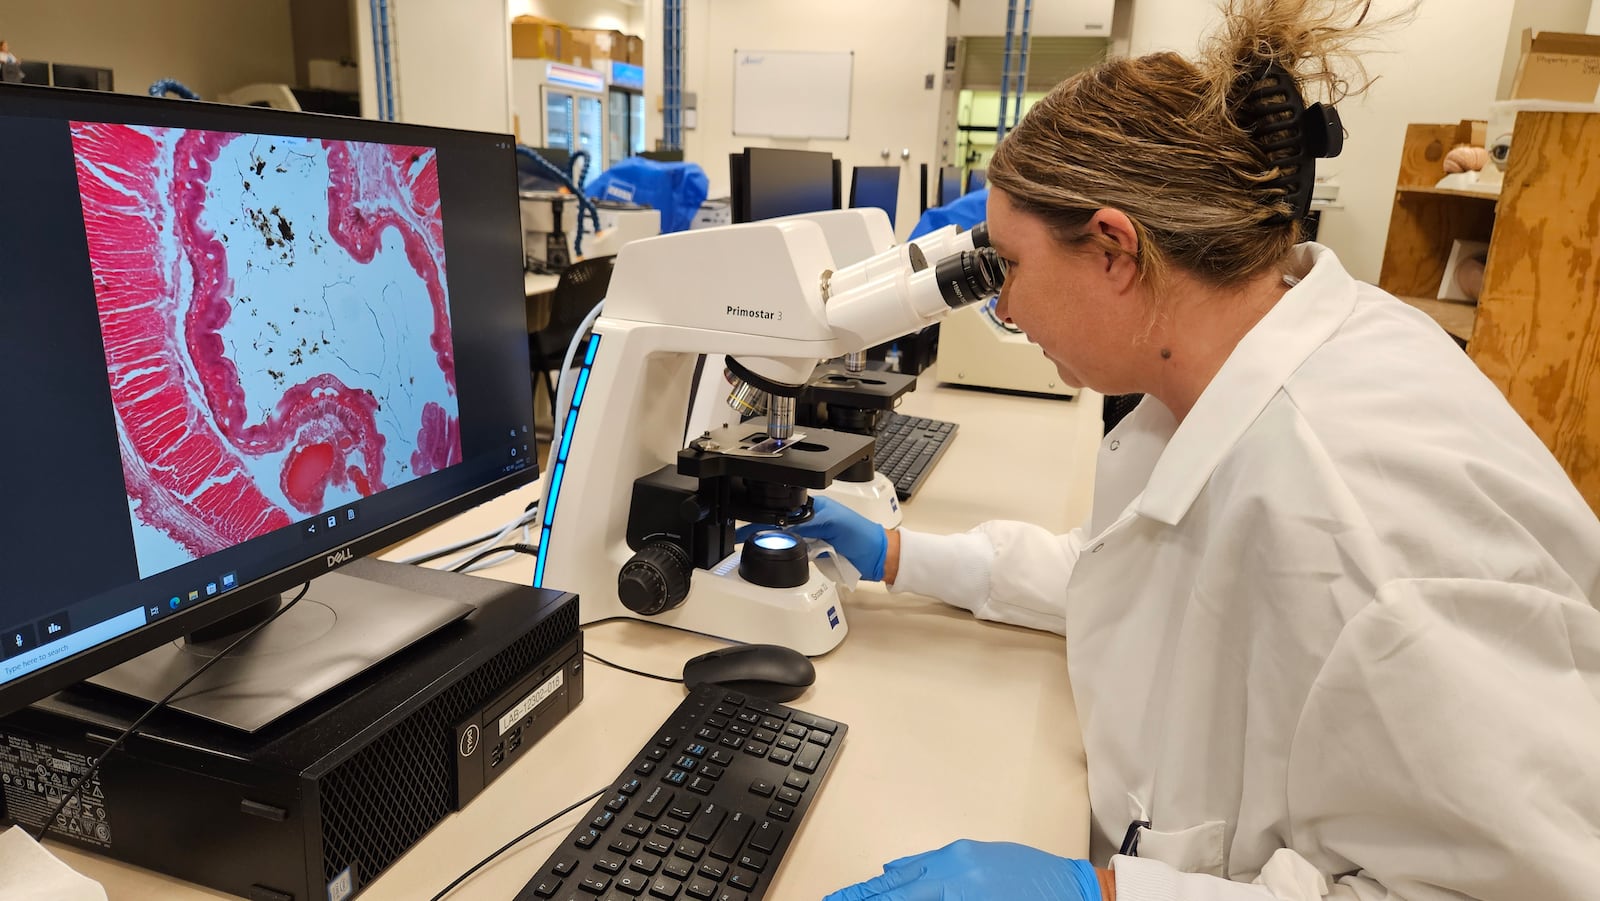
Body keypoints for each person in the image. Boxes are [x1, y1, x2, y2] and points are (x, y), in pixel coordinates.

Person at [793, 1, 1600, 899]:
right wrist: (904, 555)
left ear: (1112, 248)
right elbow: (1130, 580)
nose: (1006, 309)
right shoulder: (1231, 361)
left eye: (1010, 267)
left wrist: (1106, 895)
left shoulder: (1368, 524)